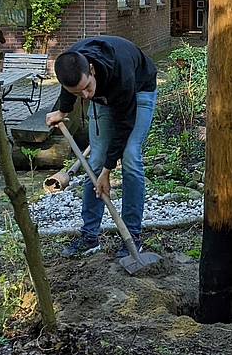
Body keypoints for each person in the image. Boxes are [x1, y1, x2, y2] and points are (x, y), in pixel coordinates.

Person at [46, 36, 158, 260]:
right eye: (79, 93)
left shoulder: (122, 70)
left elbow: (124, 125)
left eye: (86, 88)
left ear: (92, 68)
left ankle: (132, 236)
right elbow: (72, 88)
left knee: (130, 156)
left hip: (138, 90)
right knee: (94, 162)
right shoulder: (72, 66)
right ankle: (89, 237)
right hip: (106, 96)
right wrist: (63, 111)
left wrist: (107, 172)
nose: (86, 96)